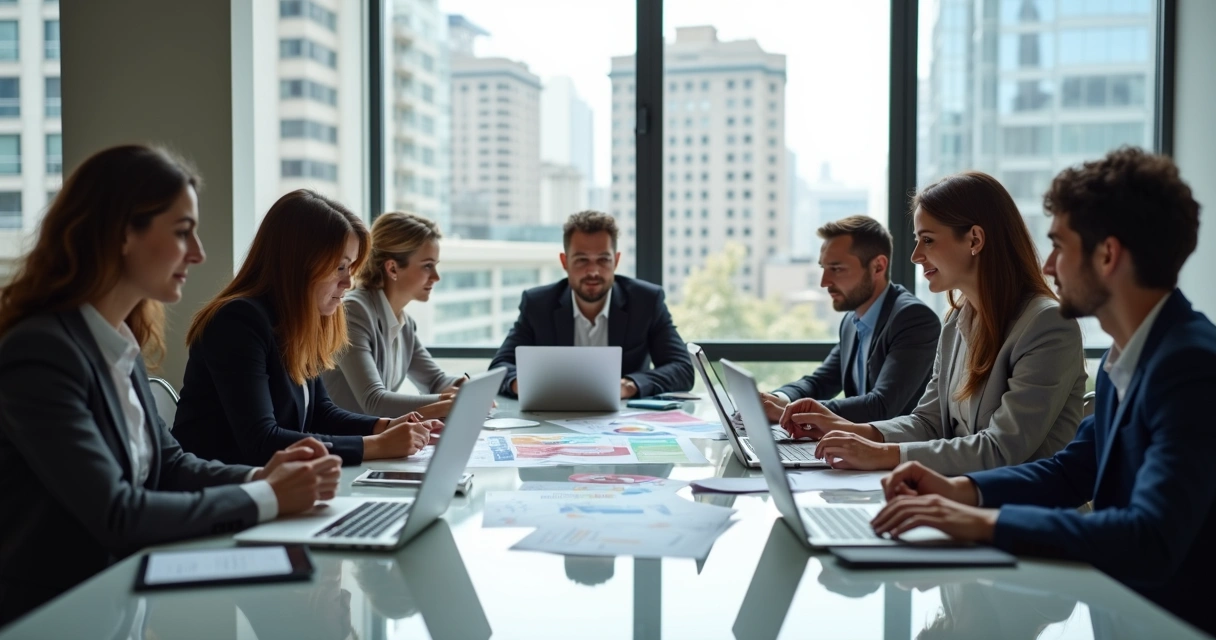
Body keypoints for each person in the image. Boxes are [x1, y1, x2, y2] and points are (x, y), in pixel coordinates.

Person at [870, 148, 1216, 635]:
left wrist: (983, 523)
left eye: (1059, 245)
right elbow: (1073, 471)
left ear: (1107, 255)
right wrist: (959, 490)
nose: (1049, 265)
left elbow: (1149, 536)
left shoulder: (1188, 366)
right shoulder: (1130, 356)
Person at [0, 145, 342, 625]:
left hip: (123, 605)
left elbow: (170, 464)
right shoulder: (42, 351)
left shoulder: (118, 340)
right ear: (123, 233)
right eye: (183, 233)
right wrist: (267, 496)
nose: (199, 253)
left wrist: (260, 478)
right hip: (57, 616)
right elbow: (117, 513)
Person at [780, 171, 1085, 475]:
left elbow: (1002, 449)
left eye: (927, 240)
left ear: (975, 240)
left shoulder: (1047, 324)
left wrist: (882, 454)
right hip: (959, 500)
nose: (915, 256)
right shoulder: (956, 322)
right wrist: (850, 431)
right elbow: (928, 422)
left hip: (1020, 513)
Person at [172, 190, 436, 467]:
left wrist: (386, 426)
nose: (348, 282)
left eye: (350, 268)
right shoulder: (237, 322)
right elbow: (262, 442)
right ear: (299, 264)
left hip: (272, 488)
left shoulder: (300, 321)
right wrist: (376, 445)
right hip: (220, 493)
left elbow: (321, 412)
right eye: (339, 267)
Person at [489, 210, 694, 398]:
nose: (593, 271)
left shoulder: (645, 301)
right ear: (564, 262)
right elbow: (500, 367)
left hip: (625, 422)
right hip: (554, 418)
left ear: (616, 260)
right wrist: (522, 383)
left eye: (603, 260)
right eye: (581, 260)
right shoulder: (538, 304)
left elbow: (682, 369)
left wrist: (629, 385)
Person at [762, 216, 941, 424]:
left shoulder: (913, 319)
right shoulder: (852, 321)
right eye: (824, 268)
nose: (824, 282)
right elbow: (821, 382)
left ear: (878, 267)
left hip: (901, 452)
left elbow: (881, 406)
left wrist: (791, 410)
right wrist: (775, 399)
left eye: (836, 269)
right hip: (858, 449)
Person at [322, 212, 463, 419]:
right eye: (427, 265)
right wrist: (450, 402)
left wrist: (464, 387)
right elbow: (374, 401)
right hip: (342, 445)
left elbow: (435, 381)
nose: (436, 276)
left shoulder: (404, 324)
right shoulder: (353, 313)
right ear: (392, 268)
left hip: (375, 443)